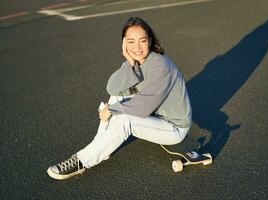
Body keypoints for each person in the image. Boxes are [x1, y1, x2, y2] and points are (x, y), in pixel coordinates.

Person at [47, 17, 192, 180]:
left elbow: (145, 105)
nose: (137, 47)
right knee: (117, 95)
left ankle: (82, 161)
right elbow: (113, 88)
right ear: (124, 43)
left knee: (124, 120)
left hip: (173, 127)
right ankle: (100, 146)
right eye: (131, 42)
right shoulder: (137, 61)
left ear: (150, 41)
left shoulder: (160, 65)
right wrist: (128, 62)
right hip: (156, 115)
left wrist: (111, 110)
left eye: (142, 41)